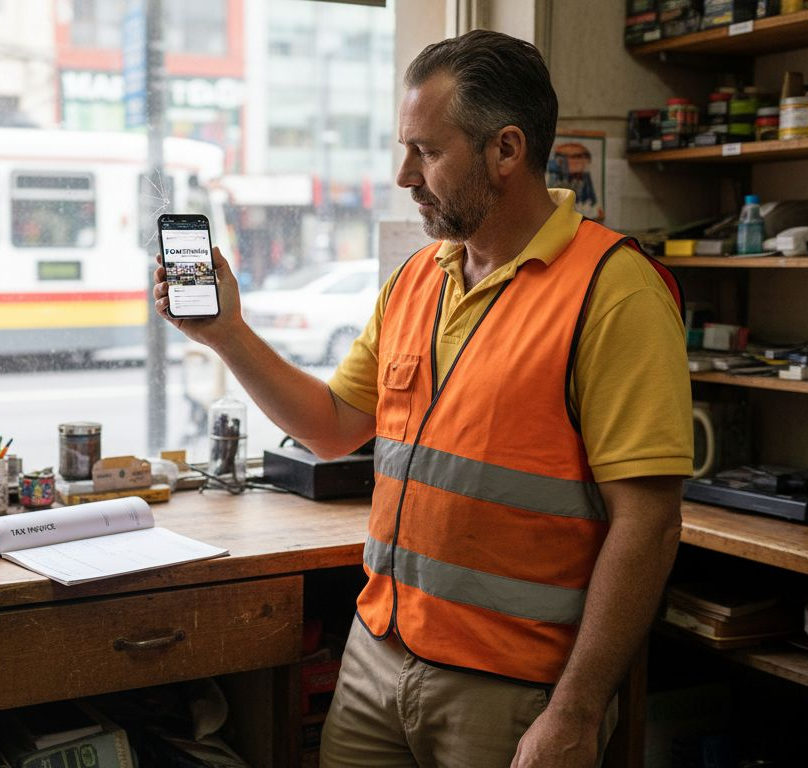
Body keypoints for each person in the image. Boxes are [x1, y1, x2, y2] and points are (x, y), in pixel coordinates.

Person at [153, 30, 691, 768]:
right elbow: (335, 429)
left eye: (426, 152)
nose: (403, 174)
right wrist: (228, 334)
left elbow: (650, 523)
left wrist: (575, 710)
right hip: (378, 660)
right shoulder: (417, 279)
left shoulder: (613, 291)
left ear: (506, 150)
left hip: (513, 692)